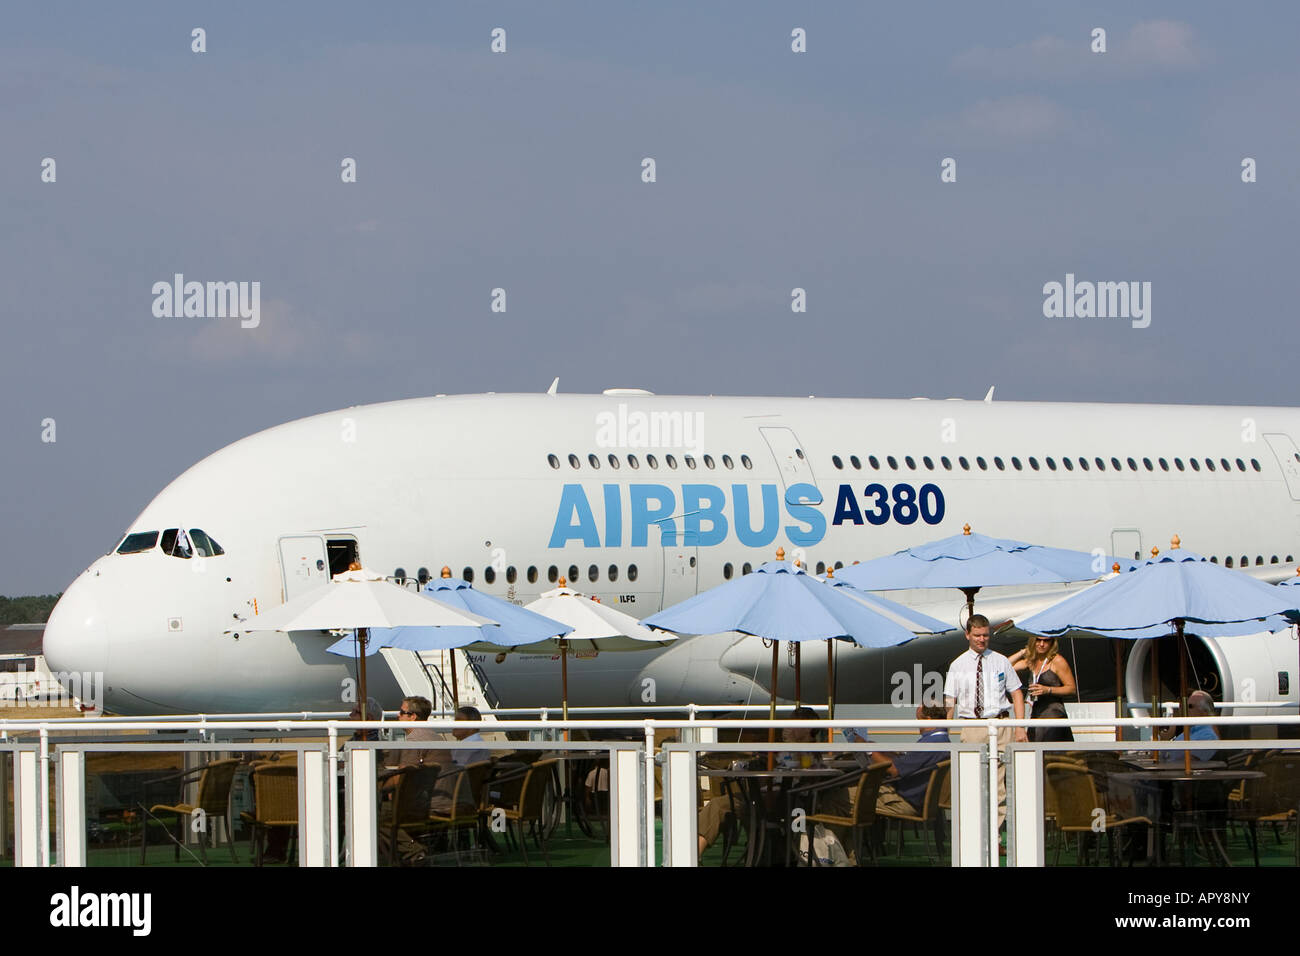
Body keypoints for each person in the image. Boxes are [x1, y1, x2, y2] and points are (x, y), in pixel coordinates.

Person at [944, 613, 1027, 833]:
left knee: (1000, 785)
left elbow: (1017, 693)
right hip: (972, 726)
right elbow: (950, 701)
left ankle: (995, 834)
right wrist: (944, 729)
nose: (982, 640)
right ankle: (974, 833)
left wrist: (1020, 727)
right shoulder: (957, 665)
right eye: (978, 635)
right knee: (972, 782)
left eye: (986, 635)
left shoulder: (1000, 660)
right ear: (967, 635)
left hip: (1000, 725)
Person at [872, 704, 951, 816]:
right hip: (918, 801)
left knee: (841, 796)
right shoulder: (943, 740)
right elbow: (909, 761)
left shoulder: (931, 744)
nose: (917, 725)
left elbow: (893, 770)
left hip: (904, 801)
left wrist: (867, 750)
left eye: (918, 720)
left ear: (928, 720)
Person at [1008, 635, 1076, 742]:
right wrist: (1022, 652)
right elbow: (1006, 667)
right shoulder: (1032, 661)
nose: (1042, 644)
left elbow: (1072, 689)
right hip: (1036, 712)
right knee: (1035, 751)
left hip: (1053, 713)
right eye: (1038, 640)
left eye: (1046, 641)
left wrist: (1048, 690)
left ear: (1052, 643)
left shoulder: (1057, 660)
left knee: (1052, 753)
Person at [1159, 690, 1219, 762]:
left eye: (1190, 706)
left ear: (1205, 711)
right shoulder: (1189, 731)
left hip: (1174, 771)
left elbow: (1187, 763)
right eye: (1185, 706)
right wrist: (1165, 740)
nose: (1186, 710)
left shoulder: (1208, 736)